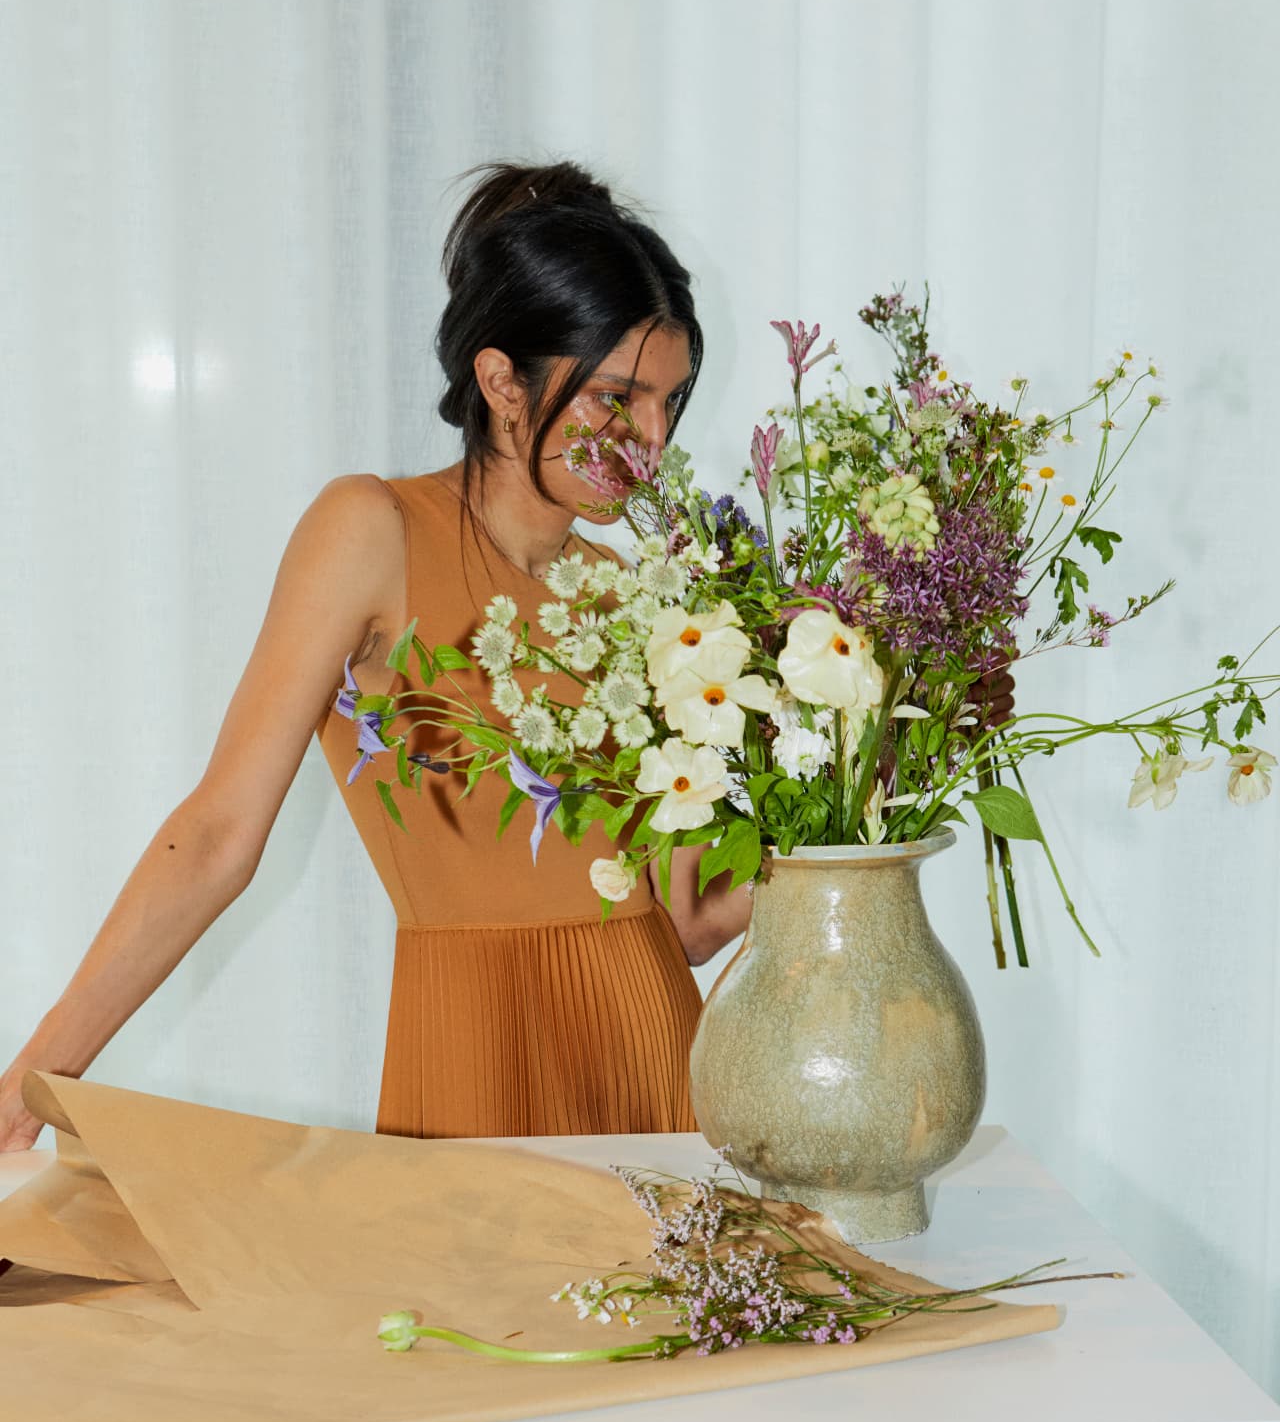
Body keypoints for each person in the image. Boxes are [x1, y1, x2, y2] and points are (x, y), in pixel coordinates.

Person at [0, 159, 1014, 1154]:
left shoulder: (641, 598)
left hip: (650, 1061)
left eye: (668, 400)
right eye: (618, 397)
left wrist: (865, 770)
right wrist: (37, 1078)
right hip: (467, 1056)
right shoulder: (371, 531)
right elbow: (220, 832)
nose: (648, 438)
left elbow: (688, 925)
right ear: (500, 380)